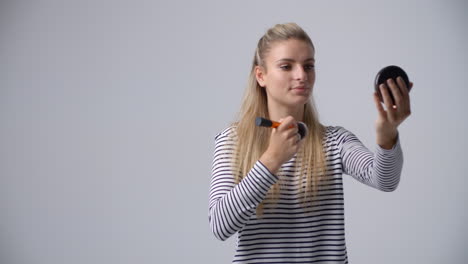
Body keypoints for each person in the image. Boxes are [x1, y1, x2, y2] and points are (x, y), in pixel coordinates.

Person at [208, 23, 412, 264]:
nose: (301, 75)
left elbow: (385, 180)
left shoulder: (334, 141)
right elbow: (220, 226)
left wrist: (387, 134)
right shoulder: (234, 140)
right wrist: (271, 160)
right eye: (286, 66)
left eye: (309, 66)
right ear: (261, 76)